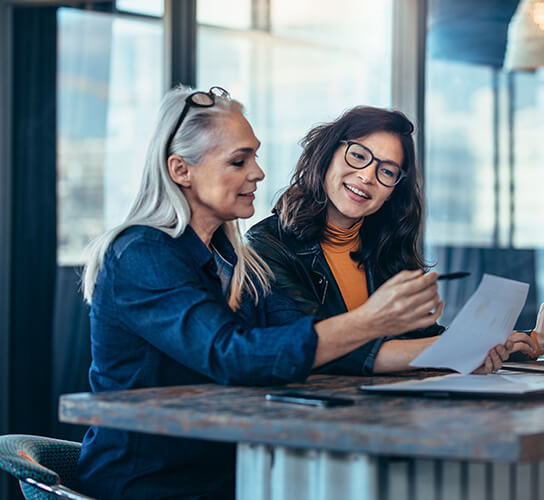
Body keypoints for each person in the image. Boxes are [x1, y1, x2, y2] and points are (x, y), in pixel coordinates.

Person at [75, 87, 519, 499]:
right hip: (151, 482)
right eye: (238, 161)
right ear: (181, 170)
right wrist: (372, 320)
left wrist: (464, 350)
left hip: (232, 469)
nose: (258, 172)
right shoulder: (140, 253)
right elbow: (232, 355)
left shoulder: (232, 259)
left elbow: (310, 343)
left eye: (255, 158)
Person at [247, 106, 544, 375]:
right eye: (358, 155)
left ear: (393, 191)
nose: (367, 176)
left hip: (386, 413)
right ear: (327, 154)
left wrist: (533, 341)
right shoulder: (266, 246)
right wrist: (460, 350)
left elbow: (423, 341)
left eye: (387, 171)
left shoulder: (384, 247)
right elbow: (321, 349)